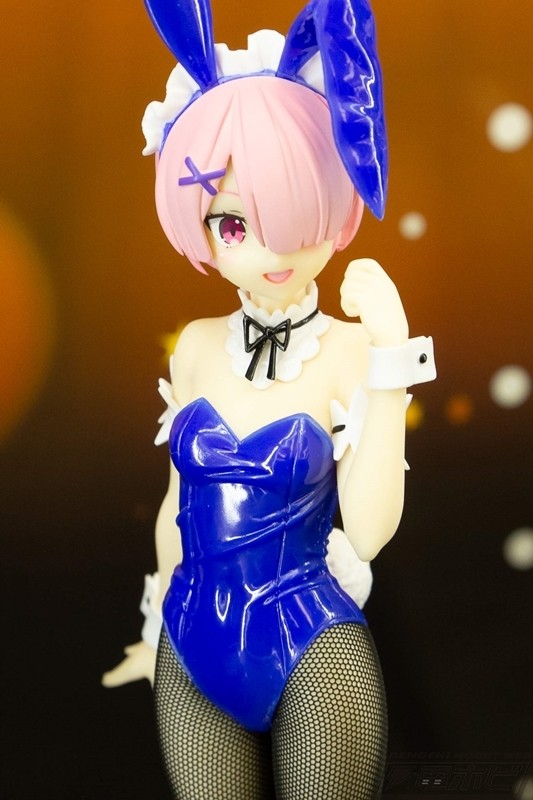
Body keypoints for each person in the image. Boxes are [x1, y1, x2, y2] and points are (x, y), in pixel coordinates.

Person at [103, 1, 436, 797]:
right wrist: (154, 622)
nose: (271, 250)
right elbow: (177, 504)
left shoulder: (350, 352)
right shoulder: (194, 347)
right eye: (233, 226)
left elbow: (368, 531)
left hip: (310, 649)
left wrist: (391, 356)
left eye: (295, 211)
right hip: (189, 643)